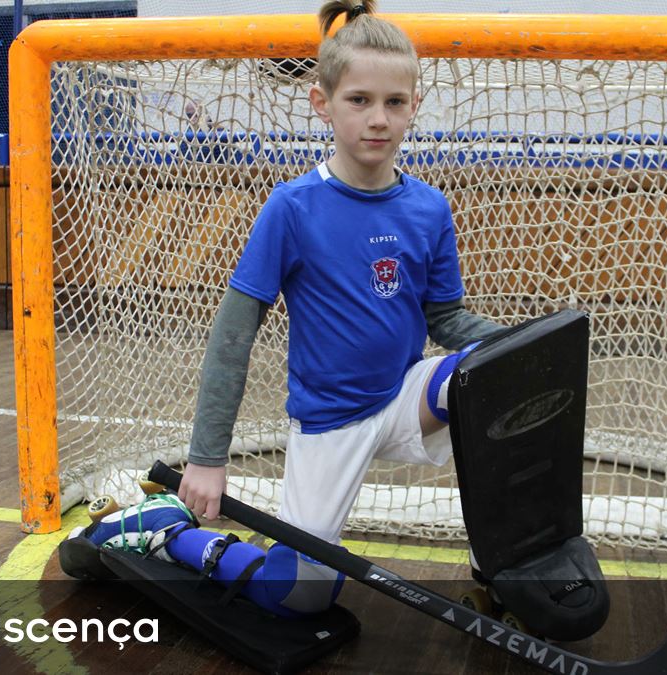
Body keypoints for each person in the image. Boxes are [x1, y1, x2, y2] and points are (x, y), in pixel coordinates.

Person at [178, 0, 502, 554]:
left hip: (404, 399)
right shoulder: (293, 208)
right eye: (359, 100)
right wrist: (207, 458)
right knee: (300, 596)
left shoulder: (428, 208)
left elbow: (445, 319)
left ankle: (501, 570)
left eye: (394, 102)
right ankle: (172, 544)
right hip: (330, 422)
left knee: (498, 376)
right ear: (322, 104)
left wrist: (527, 343)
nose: (378, 118)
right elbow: (233, 337)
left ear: (412, 106)